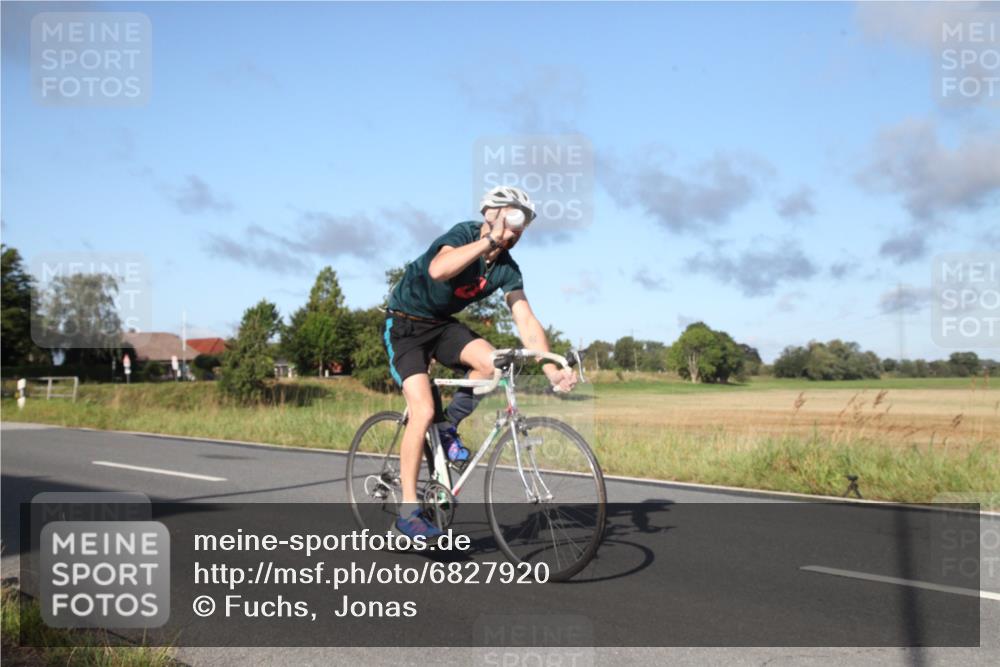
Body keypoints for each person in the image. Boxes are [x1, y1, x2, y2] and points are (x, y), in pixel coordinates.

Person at [384, 186, 578, 541]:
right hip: (406, 326)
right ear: (492, 214)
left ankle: (449, 427)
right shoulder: (464, 235)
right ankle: (408, 513)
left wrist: (552, 367)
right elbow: (440, 269)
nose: (517, 231)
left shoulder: (506, 269)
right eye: (514, 219)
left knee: (493, 364)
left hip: (441, 326)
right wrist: (489, 239)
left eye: (524, 224)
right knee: (423, 410)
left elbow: (526, 320)